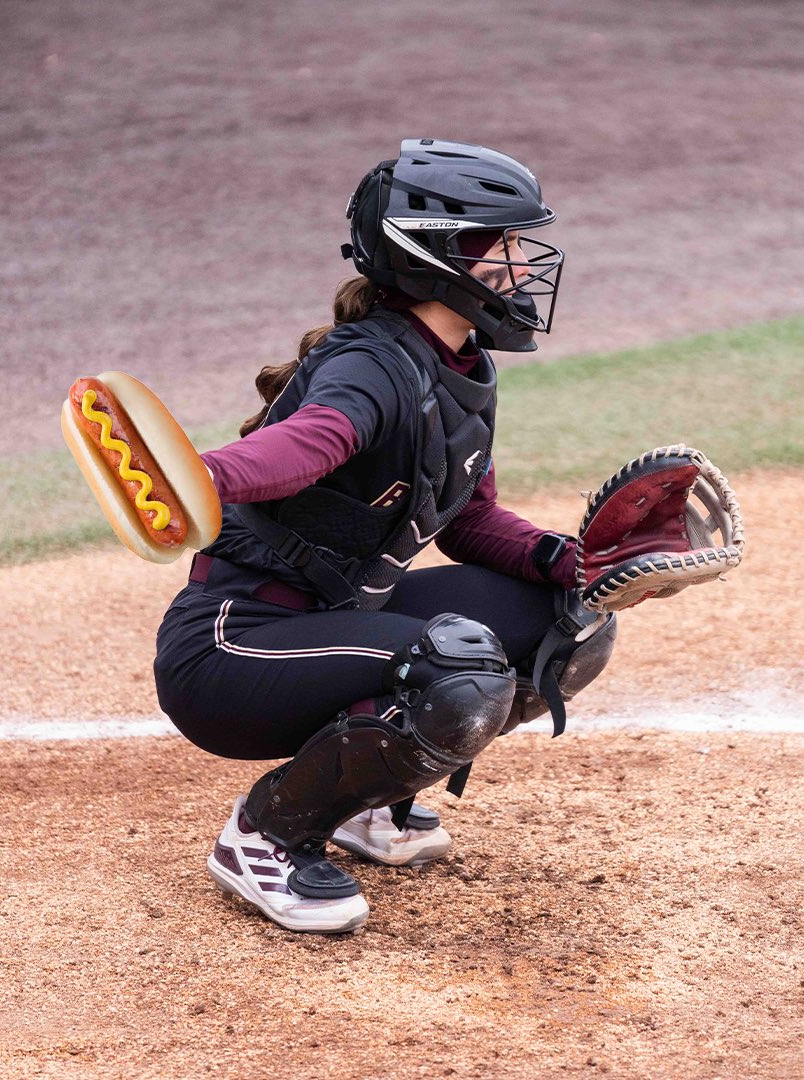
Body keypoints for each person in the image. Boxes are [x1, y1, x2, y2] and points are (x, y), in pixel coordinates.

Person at [153, 138, 617, 935]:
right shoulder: (368, 361)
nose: (520, 264)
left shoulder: (461, 364)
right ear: (437, 257)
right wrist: (204, 476)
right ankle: (266, 837)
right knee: (453, 668)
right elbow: (312, 442)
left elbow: (469, 520)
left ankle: (367, 798)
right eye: (501, 245)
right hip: (235, 649)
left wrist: (573, 561)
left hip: (330, 623)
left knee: (568, 623)